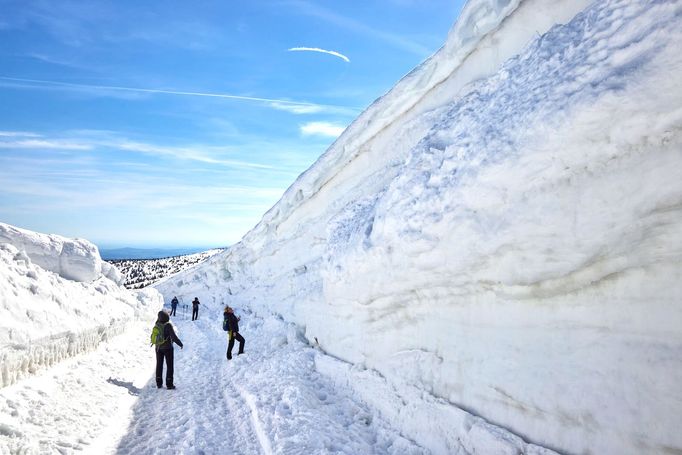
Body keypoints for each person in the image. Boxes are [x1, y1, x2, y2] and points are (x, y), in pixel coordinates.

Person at [153, 310, 183, 389]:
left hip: (158, 348)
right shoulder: (168, 325)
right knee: (169, 366)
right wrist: (180, 344)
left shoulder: (157, 324)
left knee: (159, 365)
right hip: (168, 348)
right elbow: (174, 337)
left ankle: (159, 383)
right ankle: (169, 384)